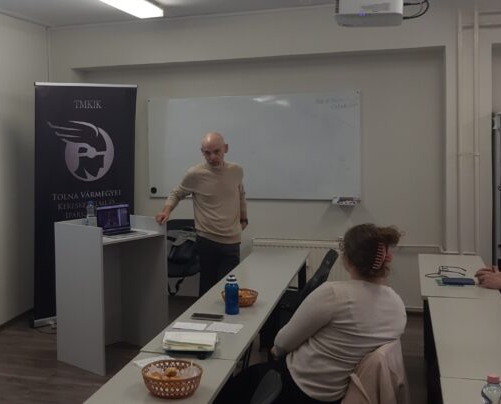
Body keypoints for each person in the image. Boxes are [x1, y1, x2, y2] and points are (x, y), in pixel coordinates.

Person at [216, 223, 406, 404]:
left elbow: (283, 342)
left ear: (347, 259)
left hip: (300, 385)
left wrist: (275, 351)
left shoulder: (333, 294)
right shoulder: (397, 306)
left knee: (232, 386)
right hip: (341, 393)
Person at [155, 132, 247, 296]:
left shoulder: (236, 171)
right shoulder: (195, 174)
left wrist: (244, 217)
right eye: (207, 153)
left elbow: (240, 194)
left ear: (225, 148)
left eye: (216, 151)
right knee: (208, 289)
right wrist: (166, 211)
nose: (212, 157)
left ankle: (228, 313)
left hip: (232, 239)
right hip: (207, 239)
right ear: (202, 152)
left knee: (229, 288)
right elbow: (177, 193)